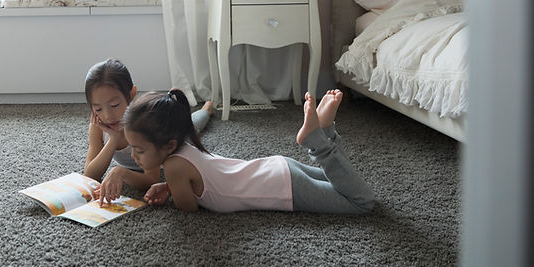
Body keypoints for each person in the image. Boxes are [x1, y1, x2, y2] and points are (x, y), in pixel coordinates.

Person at [107, 88, 375, 214]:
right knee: (339, 182)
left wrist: (171, 190)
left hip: (284, 187)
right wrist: (168, 187)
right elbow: (199, 180)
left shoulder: (175, 167)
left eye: (139, 150)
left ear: (168, 146)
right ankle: (325, 132)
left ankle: (318, 139)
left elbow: (186, 207)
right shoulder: (185, 144)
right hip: (278, 167)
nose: (133, 156)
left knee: (362, 203)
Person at [82, 59, 213, 202]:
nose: (107, 116)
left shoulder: (141, 123)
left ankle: (207, 108)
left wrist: (122, 172)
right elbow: (89, 175)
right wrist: (113, 139)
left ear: (132, 95)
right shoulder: (98, 125)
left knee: (191, 126)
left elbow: (152, 179)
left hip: (167, 133)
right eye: (98, 108)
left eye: (114, 105)